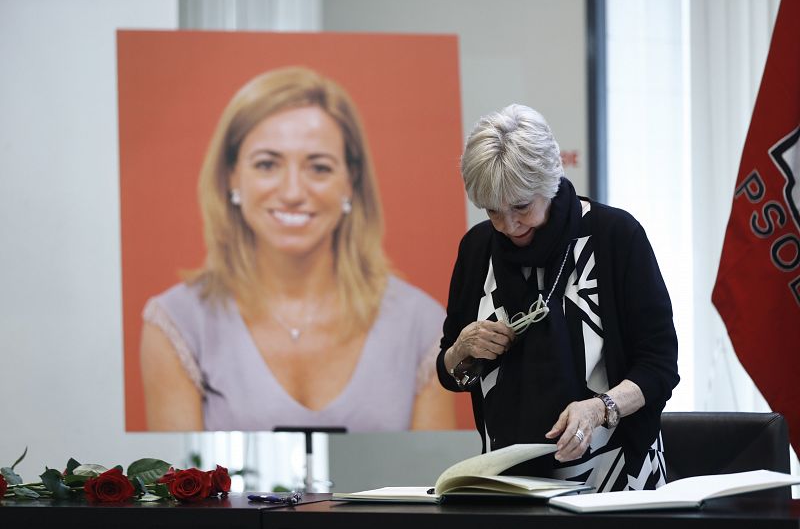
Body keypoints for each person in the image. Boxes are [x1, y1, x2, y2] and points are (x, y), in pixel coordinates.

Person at [140, 66, 454, 432]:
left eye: (319, 168)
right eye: (267, 164)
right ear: (231, 176)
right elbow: (181, 482)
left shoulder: (423, 325)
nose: (292, 192)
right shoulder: (176, 323)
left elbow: (431, 484)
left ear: (350, 182)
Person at [437, 104, 679, 491]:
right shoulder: (477, 249)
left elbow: (659, 366)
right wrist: (461, 348)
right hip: (507, 483)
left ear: (548, 183)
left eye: (521, 207)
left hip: (616, 476)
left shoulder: (614, 236)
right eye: (492, 211)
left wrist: (601, 408)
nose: (509, 225)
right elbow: (451, 372)